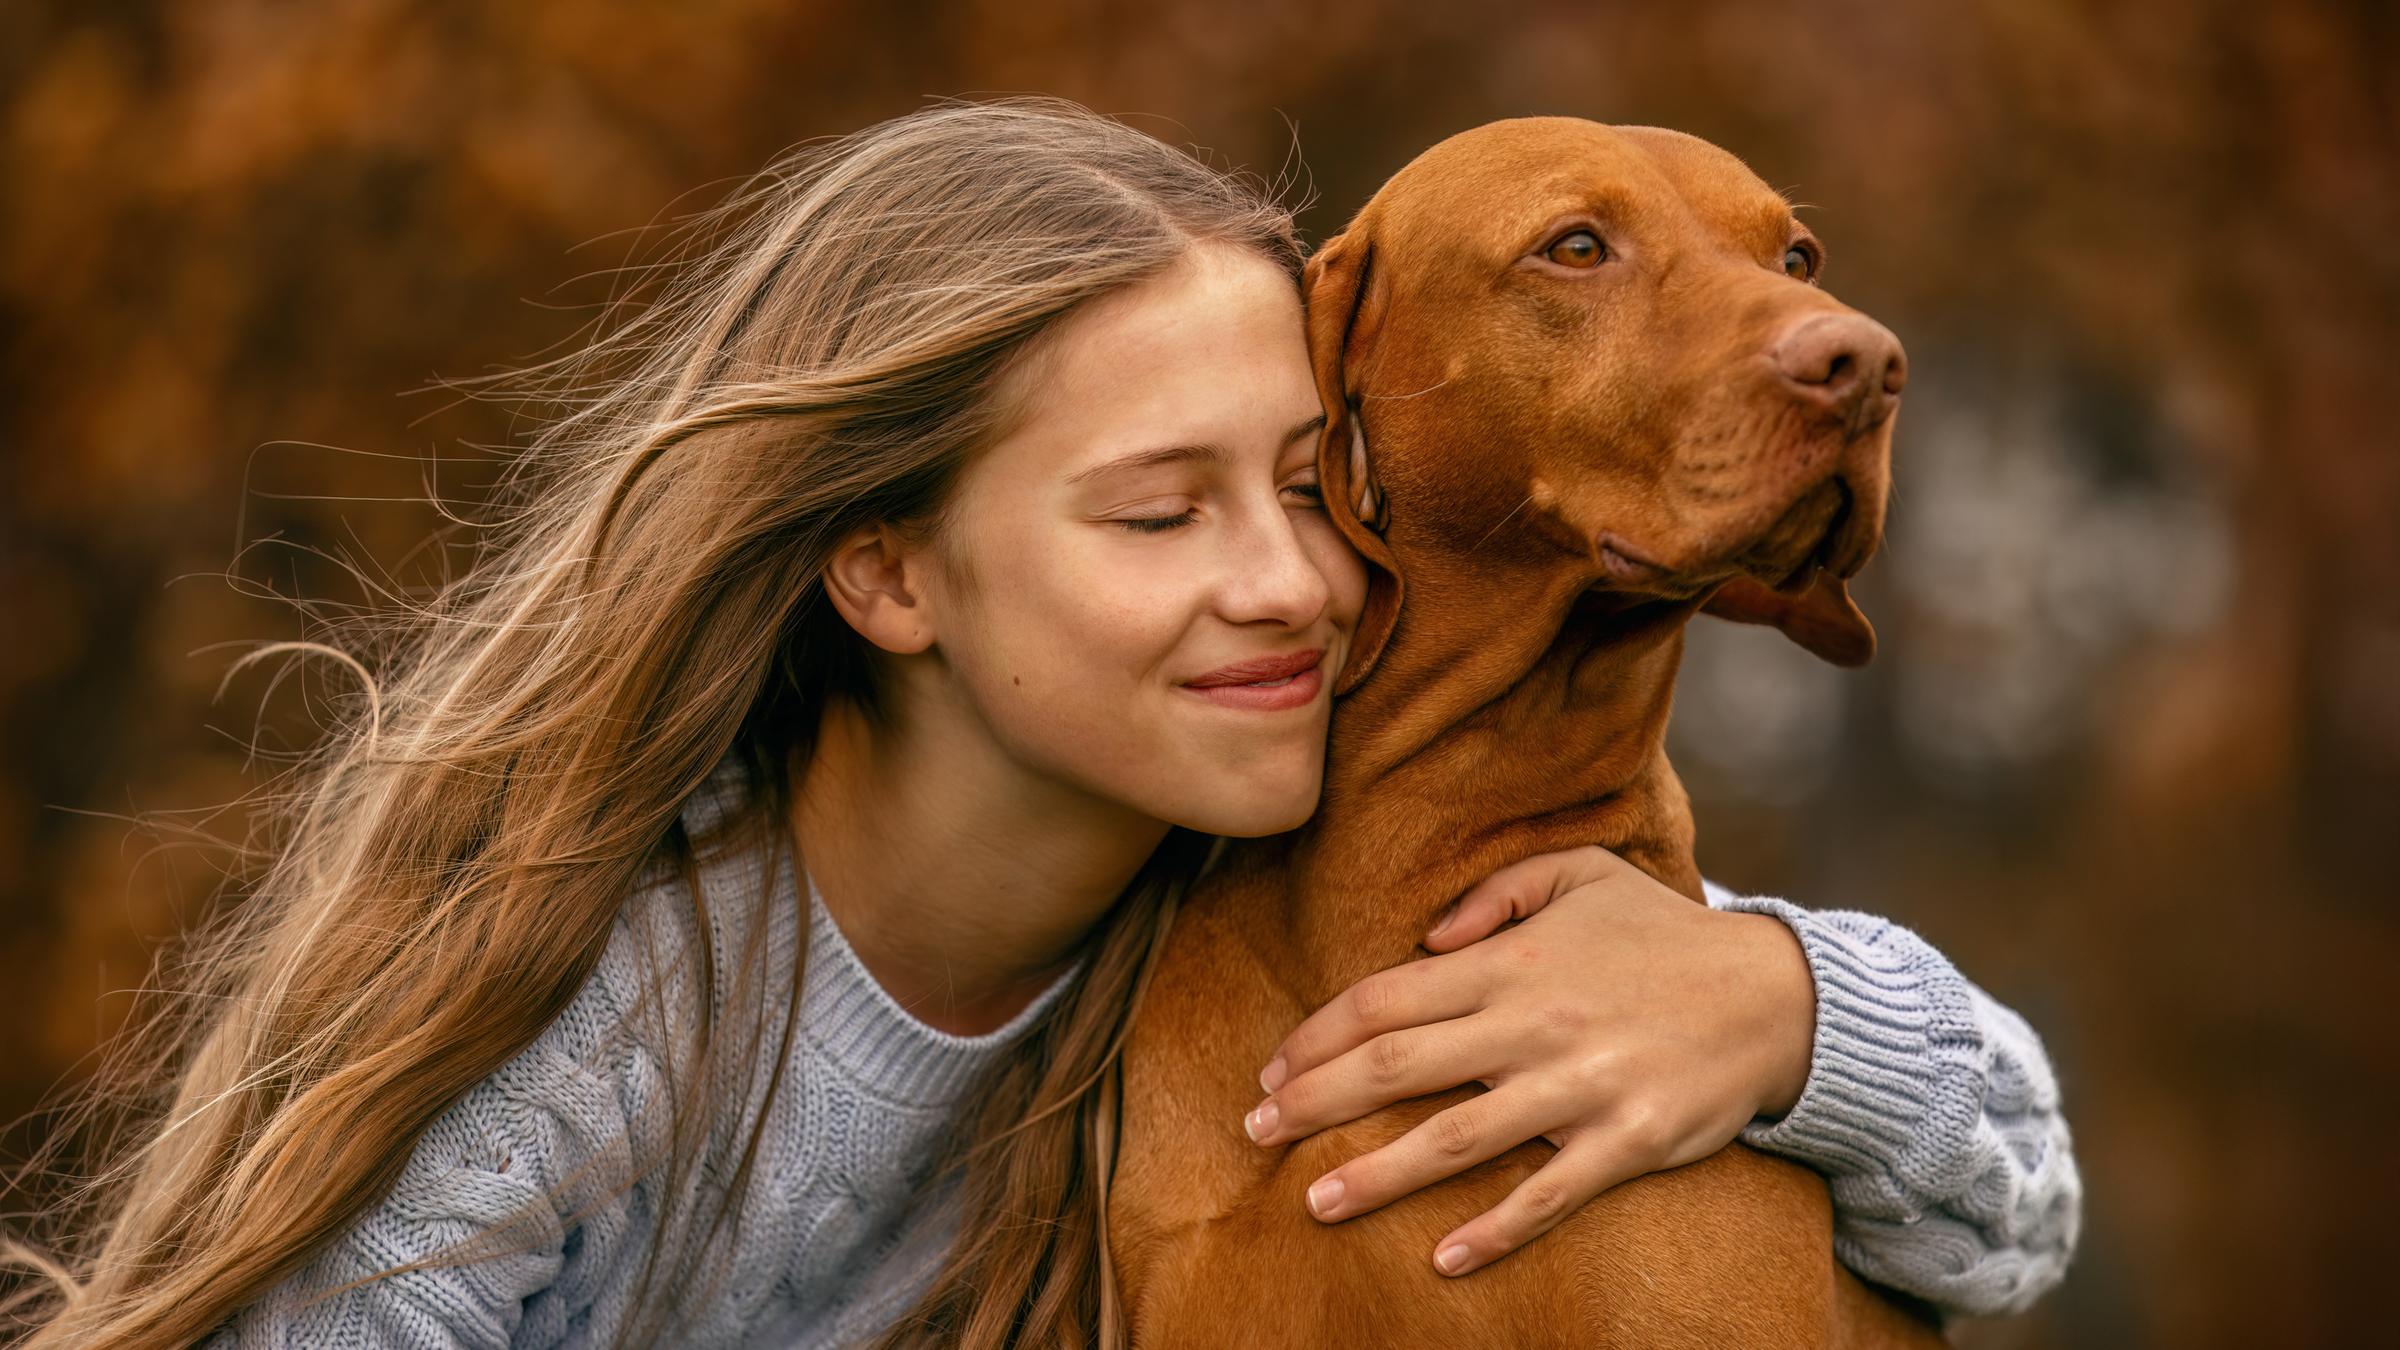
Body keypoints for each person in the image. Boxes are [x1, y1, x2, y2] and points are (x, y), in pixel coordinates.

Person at [6, 97, 2078, 1349]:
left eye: (1301, 486)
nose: (1281, 580)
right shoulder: (614, 1016)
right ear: (890, 571)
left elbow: (2016, 1201)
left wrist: (1794, 1011)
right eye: (1158, 511)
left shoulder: (1326, 866)